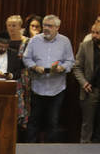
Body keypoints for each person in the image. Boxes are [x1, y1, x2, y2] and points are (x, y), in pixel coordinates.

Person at [23, 15, 73, 143]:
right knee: (34, 120)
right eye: (44, 25)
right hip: (38, 87)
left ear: (57, 27)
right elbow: (26, 58)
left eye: (49, 26)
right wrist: (34, 67)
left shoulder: (65, 41)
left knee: (53, 121)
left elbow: (70, 61)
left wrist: (62, 68)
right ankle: (30, 148)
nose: (45, 28)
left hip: (57, 88)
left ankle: (51, 150)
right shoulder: (34, 40)